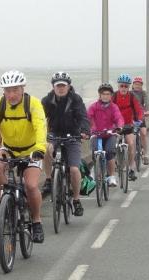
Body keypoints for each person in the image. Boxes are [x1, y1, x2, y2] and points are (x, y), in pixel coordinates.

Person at [0, 70, 47, 243]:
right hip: (9, 148)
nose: (11, 94)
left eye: (15, 90)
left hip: (31, 150)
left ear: (22, 88)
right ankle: (2, 203)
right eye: (7, 91)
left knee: (30, 185)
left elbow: (40, 127)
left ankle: (36, 221)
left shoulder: (33, 104)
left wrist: (39, 149)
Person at [41, 72, 90, 216]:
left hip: (73, 135)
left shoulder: (75, 99)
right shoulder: (47, 100)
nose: (61, 88)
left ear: (68, 86)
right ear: (53, 87)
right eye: (58, 86)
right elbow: (37, 117)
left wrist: (85, 130)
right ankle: (49, 179)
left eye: (63, 85)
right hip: (54, 134)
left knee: (74, 169)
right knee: (46, 149)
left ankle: (76, 200)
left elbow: (83, 117)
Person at [87, 83, 124, 187]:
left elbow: (119, 118)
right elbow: (87, 118)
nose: (105, 96)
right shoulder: (93, 107)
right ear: (100, 95)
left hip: (110, 134)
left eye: (108, 94)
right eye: (103, 94)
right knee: (95, 152)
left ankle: (111, 176)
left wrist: (119, 127)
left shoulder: (114, 107)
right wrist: (86, 129)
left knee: (109, 152)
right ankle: (96, 170)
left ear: (111, 95)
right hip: (96, 134)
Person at [112, 73, 143, 181]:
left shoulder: (132, 96)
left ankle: (131, 169)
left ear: (129, 87)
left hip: (129, 124)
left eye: (126, 86)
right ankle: (115, 163)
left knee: (130, 144)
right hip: (116, 125)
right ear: (118, 86)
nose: (124, 88)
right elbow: (108, 110)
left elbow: (138, 109)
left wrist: (139, 120)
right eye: (122, 86)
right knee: (112, 144)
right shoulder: (114, 96)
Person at [131, 76, 149, 165]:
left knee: (143, 133)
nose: (137, 86)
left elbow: (147, 103)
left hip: (140, 116)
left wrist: (147, 111)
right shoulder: (129, 93)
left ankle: (145, 155)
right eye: (136, 84)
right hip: (130, 117)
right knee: (131, 136)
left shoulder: (143, 93)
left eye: (139, 84)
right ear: (133, 85)